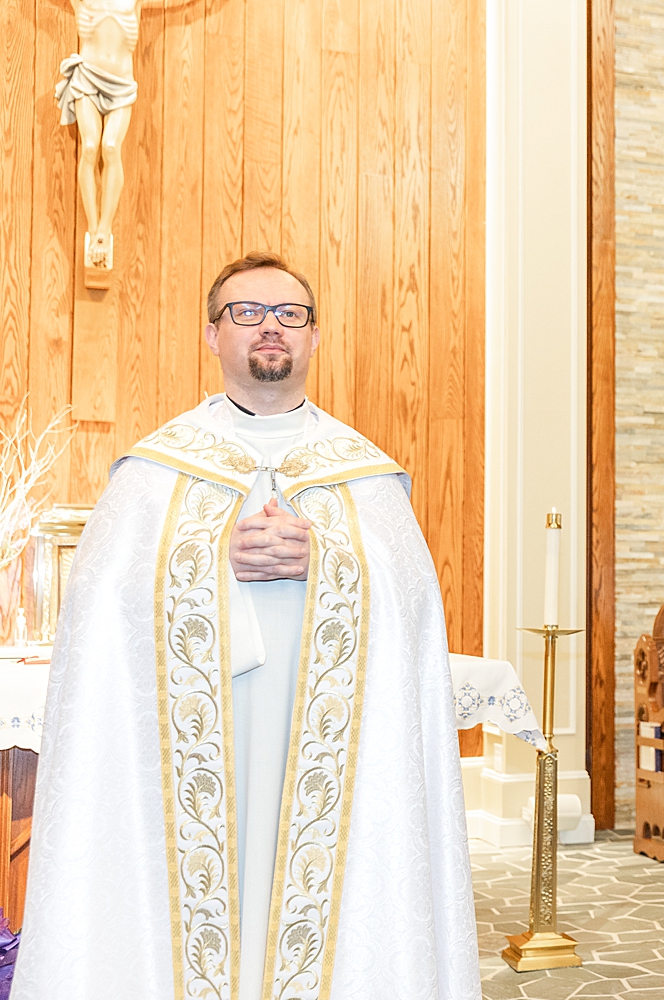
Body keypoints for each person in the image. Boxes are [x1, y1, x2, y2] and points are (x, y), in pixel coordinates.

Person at [14, 252, 480, 1000]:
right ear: (212, 335)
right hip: (195, 753)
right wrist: (204, 559)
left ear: (314, 338)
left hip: (332, 757)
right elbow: (101, 610)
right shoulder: (154, 471)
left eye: (290, 314)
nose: (271, 327)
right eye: (248, 312)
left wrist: (328, 562)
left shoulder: (365, 474)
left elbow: (412, 605)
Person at [56, 0, 149, 269]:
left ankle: (103, 231)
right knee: (89, 146)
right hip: (87, 76)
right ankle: (94, 226)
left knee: (110, 147)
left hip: (122, 84)